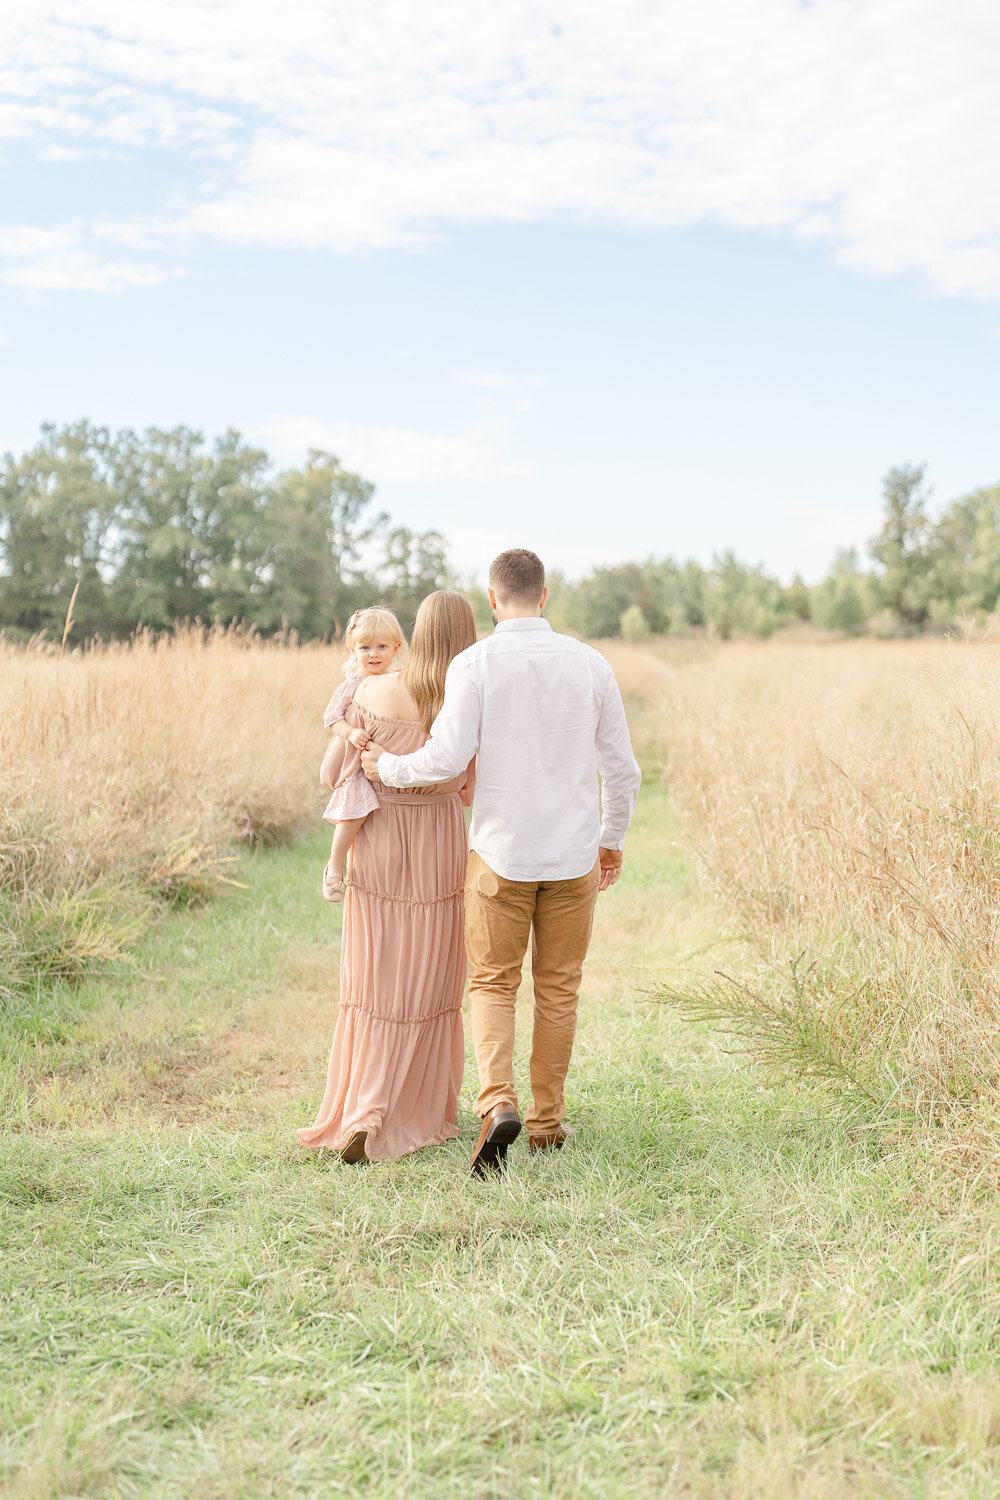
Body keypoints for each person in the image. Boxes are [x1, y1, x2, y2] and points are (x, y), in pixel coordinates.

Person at [363, 549, 641, 1176]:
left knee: (493, 983)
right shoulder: (591, 663)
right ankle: (545, 1123)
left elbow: (444, 758)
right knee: (559, 987)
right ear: (544, 597)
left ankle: (497, 1102)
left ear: (493, 600)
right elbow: (622, 770)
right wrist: (611, 838)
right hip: (572, 857)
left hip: (499, 857)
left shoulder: (475, 663)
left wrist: (388, 769)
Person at [298, 591, 478, 1164]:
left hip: (378, 841)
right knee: (428, 977)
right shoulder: (457, 697)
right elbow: (468, 787)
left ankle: (364, 1109)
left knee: (377, 980)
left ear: (408, 639)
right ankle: (415, 1110)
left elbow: (333, 774)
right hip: (438, 844)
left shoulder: (368, 692)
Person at [319, 606, 405, 903]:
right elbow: (331, 717)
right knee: (353, 814)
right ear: (353, 650)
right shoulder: (353, 684)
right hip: (356, 765)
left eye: (381, 646)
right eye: (365, 647)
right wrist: (351, 732)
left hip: (386, 764)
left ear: (396, 648)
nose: (373, 654)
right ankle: (334, 864)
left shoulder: (399, 678)